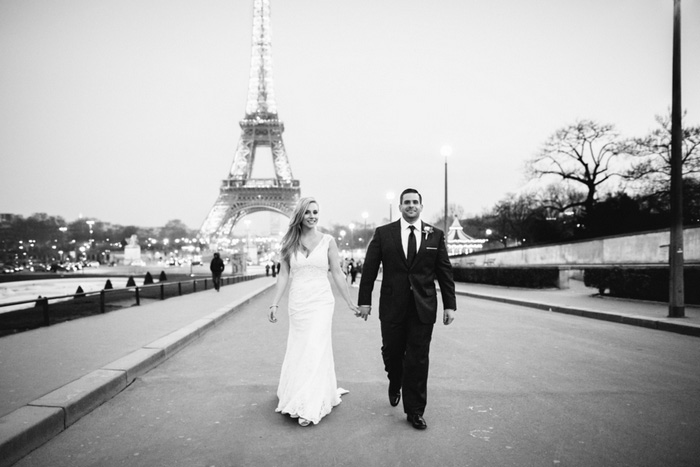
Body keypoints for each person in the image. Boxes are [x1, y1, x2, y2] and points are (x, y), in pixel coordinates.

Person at [357, 188, 456, 430]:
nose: (411, 206)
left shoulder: (435, 235)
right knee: (392, 352)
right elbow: (369, 269)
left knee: (418, 359)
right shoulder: (383, 233)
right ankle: (395, 380)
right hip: (392, 305)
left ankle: (415, 411)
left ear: (421, 206)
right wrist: (365, 301)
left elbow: (444, 271)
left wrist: (450, 305)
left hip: (423, 306)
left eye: (415, 202)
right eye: (407, 202)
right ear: (400, 206)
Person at [268, 197, 360, 426]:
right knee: (301, 347)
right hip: (298, 303)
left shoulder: (328, 241)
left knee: (315, 346)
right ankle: (300, 391)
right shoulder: (289, 242)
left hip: (321, 302)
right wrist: (274, 303)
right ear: (300, 214)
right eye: (308, 212)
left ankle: (309, 401)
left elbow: (337, 272)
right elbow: (283, 275)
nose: (312, 216)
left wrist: (349, 301)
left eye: (315, 212)